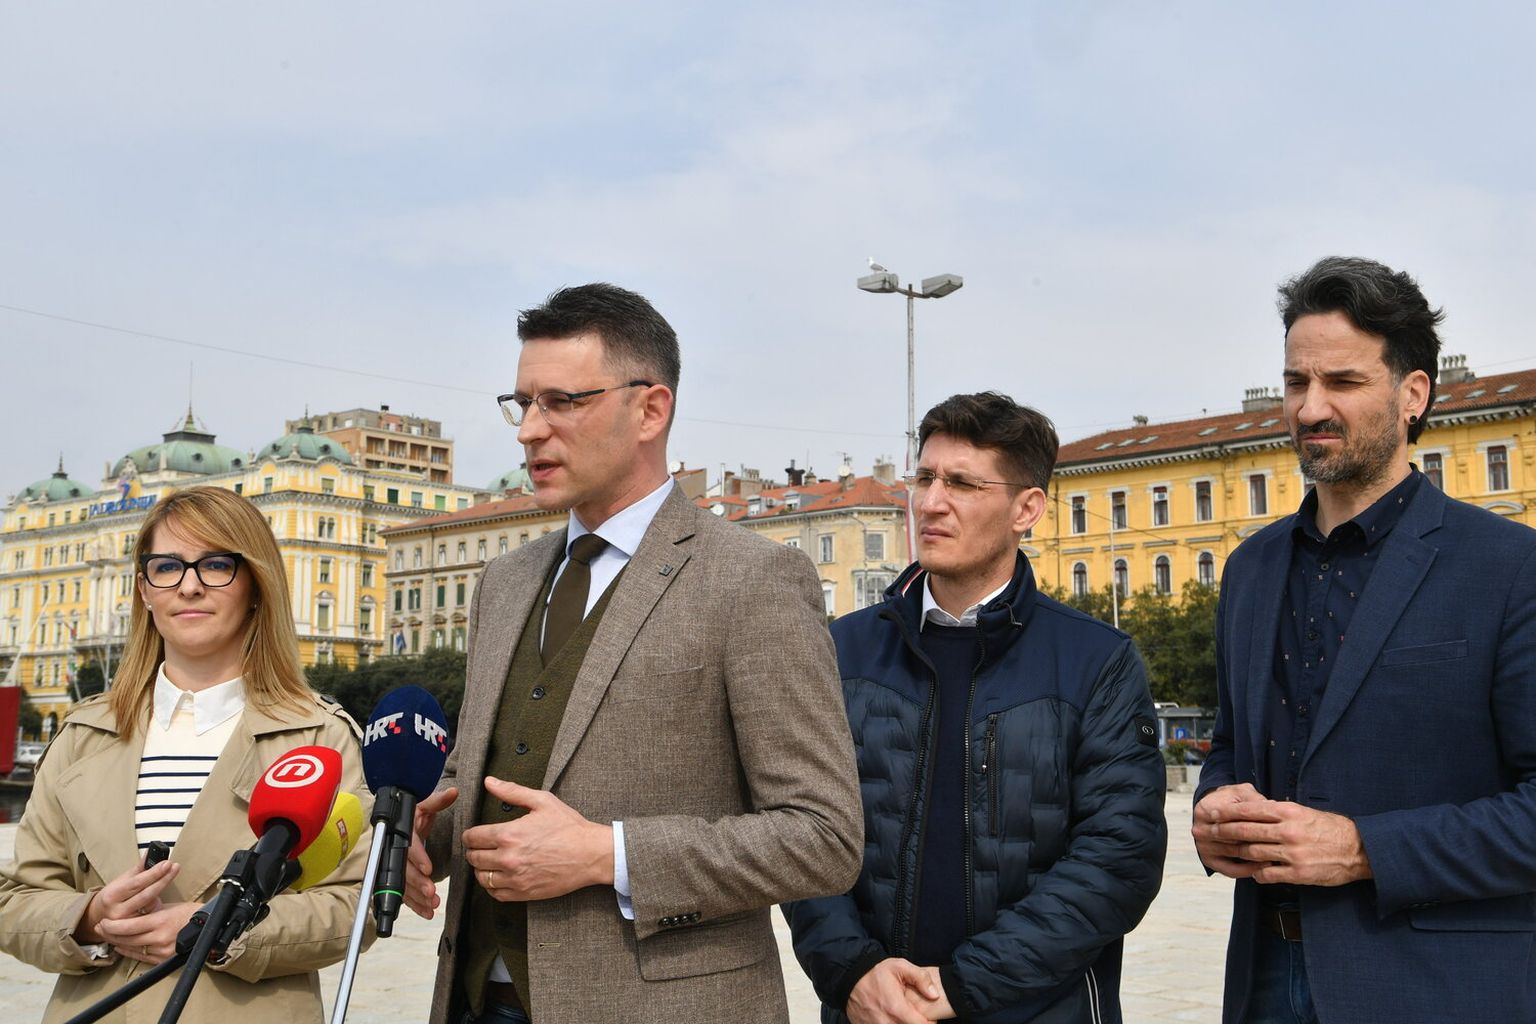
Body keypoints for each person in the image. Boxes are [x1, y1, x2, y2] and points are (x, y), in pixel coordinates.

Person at [404, 282, 863, 1024]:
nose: (529, 431)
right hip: (474, 998)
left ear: (651, 410)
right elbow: (479, 774)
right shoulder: (504, 582)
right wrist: (424, 836)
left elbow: (823, 837)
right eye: (523, 403)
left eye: (562, 402)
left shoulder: (753, 579)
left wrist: (606, 854)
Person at [1192, 256, 1536, 1024]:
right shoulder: (1249, 569)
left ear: (1413, 395)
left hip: (1436, 990)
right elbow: (1232, 746)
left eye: (1342, 382)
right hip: (1263, 976)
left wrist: (1363, 848)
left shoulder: (1510, 567)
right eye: (1295, 382)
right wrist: (1216, 807)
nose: (1310, 407)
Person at [786, 392, 1167, 1024]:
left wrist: (961, 987)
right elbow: (800, 830)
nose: (931, 502)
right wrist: (852, 971)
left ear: (1026, 509)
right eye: (925, 478)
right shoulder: (842, 650)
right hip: (871, 1009)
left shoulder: (1096, 661)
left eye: (962, 484)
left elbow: (1118, 859)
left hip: (1039, 1010)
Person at [0, 485, 371, 1024]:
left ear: (256, 585)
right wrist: (90, 916)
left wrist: (217, 929)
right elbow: (15, 900)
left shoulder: (320, 735)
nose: (189, 585)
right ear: (144, 590)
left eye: (216, 565)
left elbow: (355, 903)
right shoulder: (82, 735)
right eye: (167, 566)